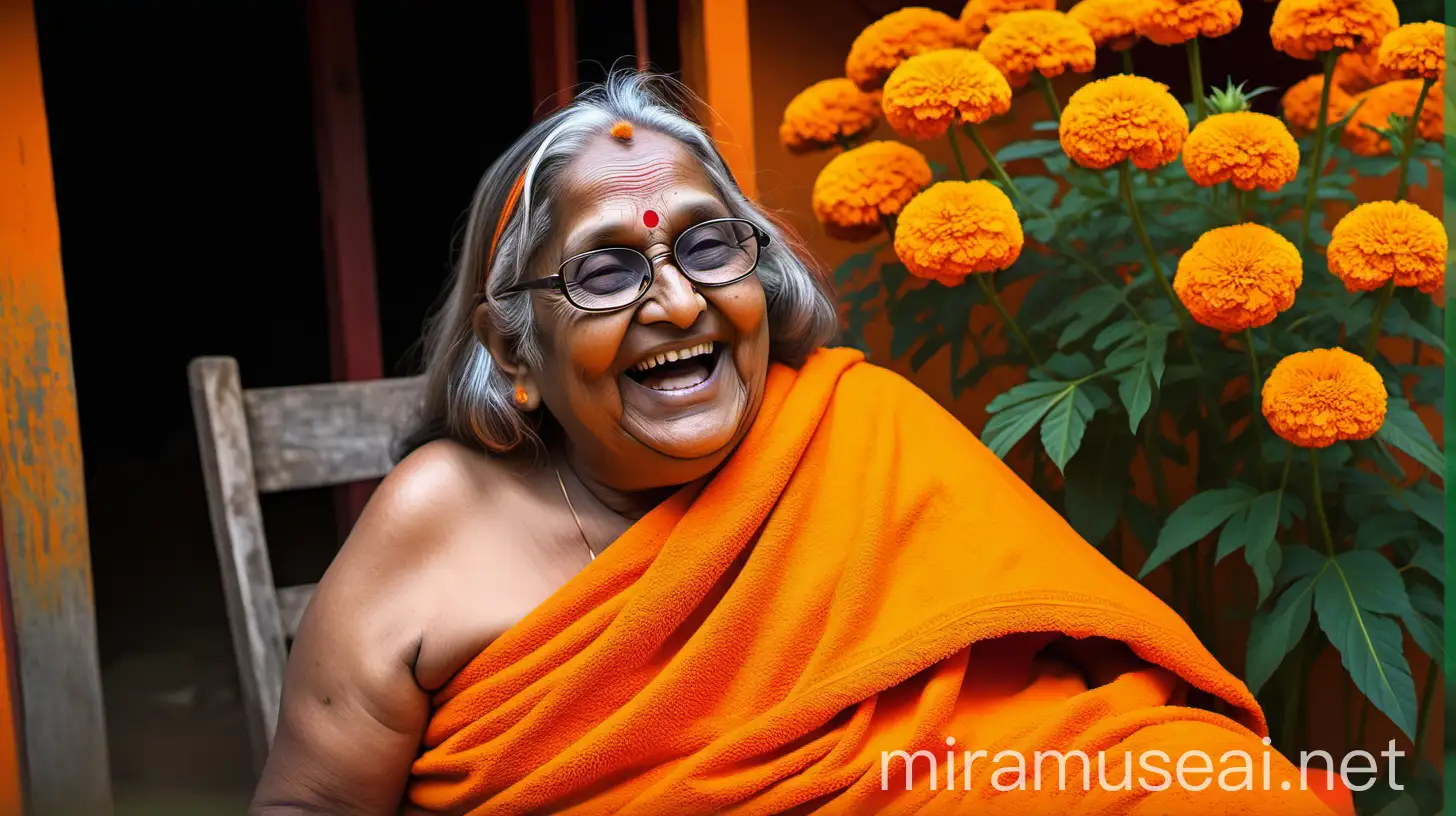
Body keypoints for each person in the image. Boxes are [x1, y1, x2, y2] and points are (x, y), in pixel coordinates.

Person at [251, 73, 1347, 815]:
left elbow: (1061, 723)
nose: (676, 302)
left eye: (707, 247)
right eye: (606, 269)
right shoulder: (436, 519)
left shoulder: (852, 430)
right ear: (516, 348)